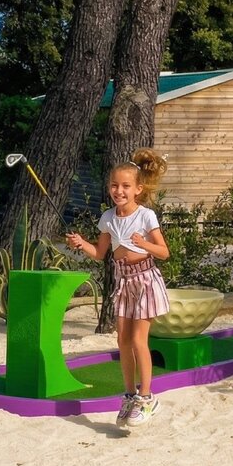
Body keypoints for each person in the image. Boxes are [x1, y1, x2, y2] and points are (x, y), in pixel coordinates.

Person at [66, 148, 171, 427]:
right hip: (123, 281)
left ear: (138, 188)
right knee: (122, 341)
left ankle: (147, 398)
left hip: (145, 280)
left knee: (138, 341)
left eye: (125, 186)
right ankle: (129, 395)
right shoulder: (108, 218)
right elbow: (100, 254)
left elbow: (163, 252)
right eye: (114, 185)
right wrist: (81, 243)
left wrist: (143, 242)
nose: (119, 190)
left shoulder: (146, 216)